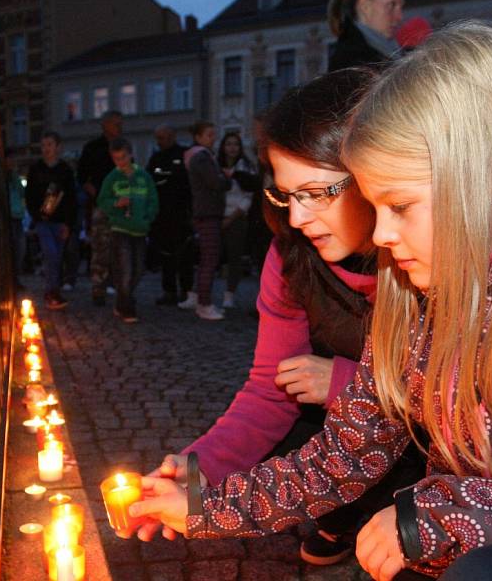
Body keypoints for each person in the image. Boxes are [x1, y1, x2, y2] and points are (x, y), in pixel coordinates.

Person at [130, 23, 492, 581]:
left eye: (400, 205)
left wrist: (450, 514)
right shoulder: (416, 307)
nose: (380, 236)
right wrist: (203, 504)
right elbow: (338, 458)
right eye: (375, 207)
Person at [141, 68, 425, 566]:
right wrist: (196, 474)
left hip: (436, 454)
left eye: (315, 193)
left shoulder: (427, 265)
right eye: (287, 194)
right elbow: (267, 393)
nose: (295, 217)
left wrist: (342, 382)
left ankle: (364, 507)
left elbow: (460, 412)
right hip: (364, 429)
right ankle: (340, 513)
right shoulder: (294, 253)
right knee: (290, 421)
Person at [97, 138, 159, 323]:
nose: (121, 162)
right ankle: (127, 307)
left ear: (130, 154)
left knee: (138, 269)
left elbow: (153, 200)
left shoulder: (144, 177)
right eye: (116, 159)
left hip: (140, 230)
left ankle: (122, 299)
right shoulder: (112, 178)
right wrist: (116, 203)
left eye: (123, 157)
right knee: (125, 269)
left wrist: (147, 218)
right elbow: (102, 201)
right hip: (120, 229)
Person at [180, 121, 231, 321]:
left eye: (213, 134)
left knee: (205, 259)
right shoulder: (201, 157)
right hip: (208, 212)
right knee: (210, 259)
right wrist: (226, 179)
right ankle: (204, 304)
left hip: (205, 211)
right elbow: (216, 182)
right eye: (209, 135)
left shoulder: (200, 156)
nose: (214, 138)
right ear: (199, 138)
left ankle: (197, 297)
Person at [25, 132, 77, 310]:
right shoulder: (36, 169)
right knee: (50, 254)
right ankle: (51, 292)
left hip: (60, 221)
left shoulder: (65, 170)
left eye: (49, 144)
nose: (46, 149)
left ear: (58, 147)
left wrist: (68, 224)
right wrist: (36, 215)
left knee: (58, 256)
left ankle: (54, 289)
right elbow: (30, 195)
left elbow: (71, 199)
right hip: (43, 221)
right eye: (43, 145)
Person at [145, 125, 194, 306]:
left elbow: (185, 181)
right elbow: (152, 180)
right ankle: (169, 291)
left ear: (172, 135)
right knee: (166, 255)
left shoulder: (184, 154)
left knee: (184, 254)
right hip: (162, 215)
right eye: (158, 138)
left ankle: (186, 290)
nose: (160, 142)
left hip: (181, 213)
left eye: (163, 137)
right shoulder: (155, 157)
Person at [77, 110, 122, 306]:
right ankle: (98, 287)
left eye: (120, 123)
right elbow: (81, 176)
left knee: (119, 247)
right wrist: (91, 189)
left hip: (121, 207)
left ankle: (117, 284)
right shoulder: (92, 148)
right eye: (115, 123)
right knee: (100, 247)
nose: (119, 127)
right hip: (100, 205)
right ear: (105, 125)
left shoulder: (123, 147)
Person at [217, 132, 259, 309]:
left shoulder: (246, 167)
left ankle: (229, 294)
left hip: (237, 218)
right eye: (228, 144)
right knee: (212, 256)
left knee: (234, 258)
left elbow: (248, 197)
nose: (232, 148)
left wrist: (232, 217)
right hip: (217, 216)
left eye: (235, 144)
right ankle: (201, 293)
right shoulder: (215, 165)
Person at [327, 0, 405, 71]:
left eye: (401, 7)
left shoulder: (391, 51)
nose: (400, 17)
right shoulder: (351, 65)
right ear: (365, 7)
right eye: (391, 5)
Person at [5, 148, 26, 293]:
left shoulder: (15, 177)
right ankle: (11, 281)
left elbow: (21, 193)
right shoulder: (5, 177)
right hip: (9, 217)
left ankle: (15, 279)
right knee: (12, 250)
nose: (14, 162)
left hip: (17, 216)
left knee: (20, 250)